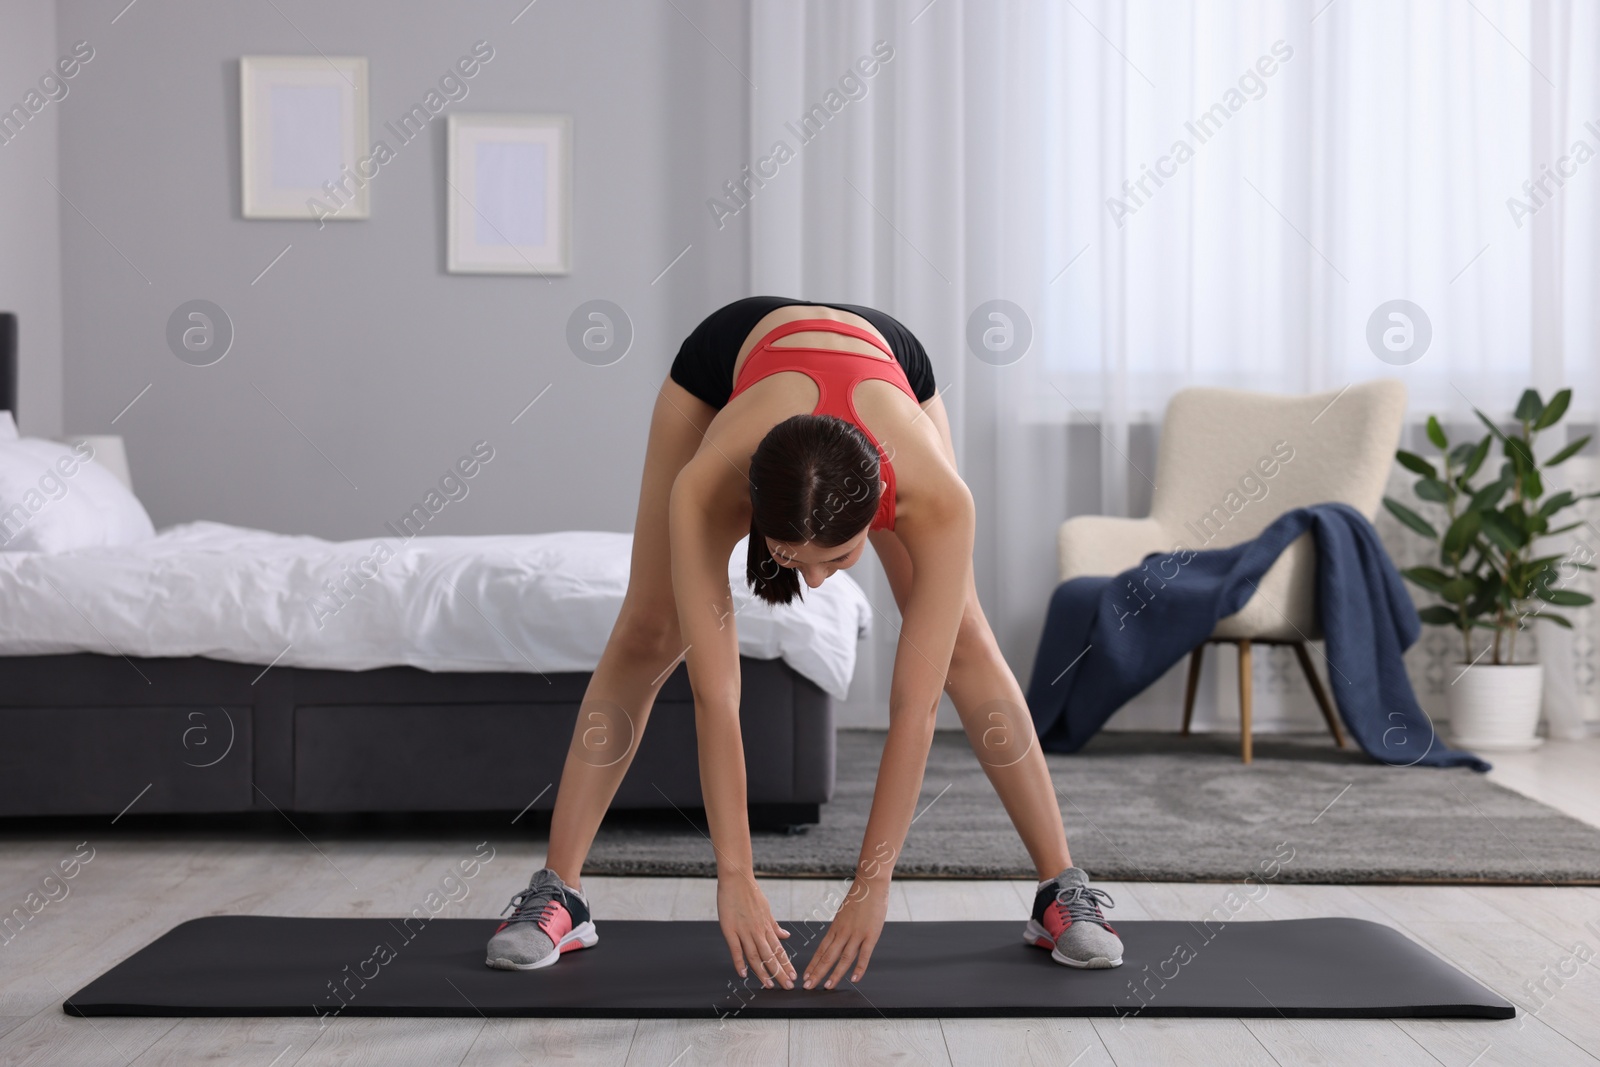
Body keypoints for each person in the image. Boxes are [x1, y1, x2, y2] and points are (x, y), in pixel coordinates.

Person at [485, 297, 1122, 987]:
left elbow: (914, 707)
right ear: (755, 511)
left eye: (839, 558)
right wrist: (734, 875)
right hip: (728, 358)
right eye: (794, 560)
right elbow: (716, 696)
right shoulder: (707, 484)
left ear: (881, 508)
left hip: (888, 360)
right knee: (649, 629)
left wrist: (872, 885)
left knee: (963, 640)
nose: (816, 582)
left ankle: (1061, 886)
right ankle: (560, 891)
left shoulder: (939, 496)